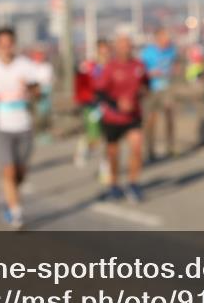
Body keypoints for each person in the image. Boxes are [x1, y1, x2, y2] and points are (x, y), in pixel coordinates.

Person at [0, 27, 40, 229]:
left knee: (20, 173)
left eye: (9, 44)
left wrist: (30, 89)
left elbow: (38, 91)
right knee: (8, 170)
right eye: (1, 45)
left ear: (14, 44)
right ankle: (16, 212)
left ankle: (6, 195)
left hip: (24, 125)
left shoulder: (25, 65)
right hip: (1, 126)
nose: (6, 48)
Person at [96, 32, 148, 202]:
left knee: (137, 148)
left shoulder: (138, 65)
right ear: (116, 48)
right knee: (113, 154)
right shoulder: (110, 67)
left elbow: (146, 85)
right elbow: (100, 93)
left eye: (128, 45)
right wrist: (117, 104)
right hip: (112, 117)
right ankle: (114, 184)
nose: (125, 48)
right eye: (122, 45)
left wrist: (142, 93)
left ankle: (133, 184)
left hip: (133, 116)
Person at [140, 27, 178, 160]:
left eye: (167, 38)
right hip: (151, 89)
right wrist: (150, 73)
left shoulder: (171, 50)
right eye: (164, 38)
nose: (166, 40)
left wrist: (174, 70)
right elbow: (139, 71)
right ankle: (150, 150)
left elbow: (174, 63)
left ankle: (171, 147)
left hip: (166, 87)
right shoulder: (147, 53)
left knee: (170, 116)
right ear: (157, 39)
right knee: (151, 120)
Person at [74, 40, 110, 173]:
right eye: (102, 50)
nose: (104, 53)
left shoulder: (112, 66)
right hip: (92, 106)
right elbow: (80, 85)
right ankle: (84, 146)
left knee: (108, 137)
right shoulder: (89, 66)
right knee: (95, 137)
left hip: (108, 106)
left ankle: (105, 167)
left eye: (107, 50)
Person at [31, 49, 55, 144]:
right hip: (36, 93)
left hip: (46, 91)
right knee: (38, 115)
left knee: (46, 114)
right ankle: (39, 133)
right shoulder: (31, 67)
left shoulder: (47, 66)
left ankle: (46, 133)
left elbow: (49, 79)